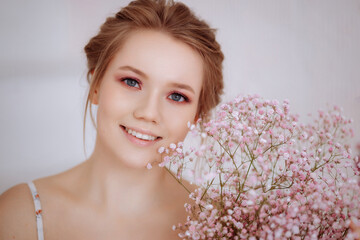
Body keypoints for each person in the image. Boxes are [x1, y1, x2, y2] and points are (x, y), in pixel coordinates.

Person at [0, 0, 224, 239]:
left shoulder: (219, 220)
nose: (149, 113)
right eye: (131, 82)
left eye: (177, 96)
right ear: (96, 86)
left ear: (197, 116)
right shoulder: (20, 214)